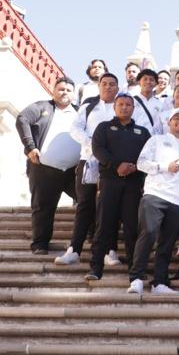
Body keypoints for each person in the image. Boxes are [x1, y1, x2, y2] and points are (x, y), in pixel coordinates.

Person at [128, 106, 179, 294]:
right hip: (155, 195)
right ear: (169, 122)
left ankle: (159, 282)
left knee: (167, 243)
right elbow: (141, 163)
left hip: (178, 202)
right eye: (177, 118)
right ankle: (136, 278)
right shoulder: (156, 140)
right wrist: (164, 167)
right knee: (148, 234)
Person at [85, 93, 152, 281]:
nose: (125, 107)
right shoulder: (104, 128)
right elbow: (98, 149)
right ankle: (95, 268)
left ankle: (135, 271)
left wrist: (134, 167)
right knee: (104, 226)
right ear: (115, 107)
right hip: (110, 182)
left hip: (133, 183)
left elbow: (149, 155)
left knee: (132, 228)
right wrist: (117, 165)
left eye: (128, 105)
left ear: (133, 108)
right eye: (121, 104)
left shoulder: (142, 132)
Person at [57, 72, 119, 266]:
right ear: (99, 86)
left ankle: (110, 250)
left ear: (118, 88)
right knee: (84, 205)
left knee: (109, 208)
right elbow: (75, 129)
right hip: (89, 160)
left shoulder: (122, 106)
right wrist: (92, 144)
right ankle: (74, 249)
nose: (108, 87)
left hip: (112, 164)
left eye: (112, 84)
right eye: (105, 84)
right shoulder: (89, 105)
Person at [15, 77, 80, 255]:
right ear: (53, 90)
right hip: (44, 168)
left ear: (74, 94)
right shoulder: (42, 107)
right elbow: (22, 119)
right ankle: (40, 244)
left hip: (73, 171)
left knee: (87, 202)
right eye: (60, 89)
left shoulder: (80, 112)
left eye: (68, 89)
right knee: (43, 207)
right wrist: (30, 147)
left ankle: (85, 240)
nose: (64, 92)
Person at [132, 69, 164, 136]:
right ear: (139, 82)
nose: (148, 82)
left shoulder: (160, 104)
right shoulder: (131, 101)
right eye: (145, 79)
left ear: (156, 84)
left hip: (154, 138)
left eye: (151, 80)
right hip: (135, 137)